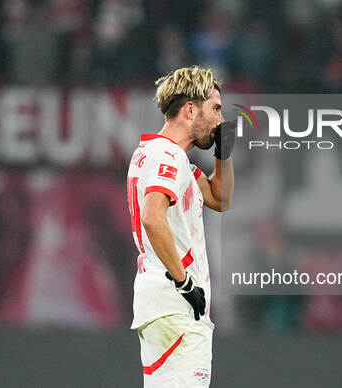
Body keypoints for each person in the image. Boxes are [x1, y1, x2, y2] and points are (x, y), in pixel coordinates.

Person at [126, 66, 236, 387]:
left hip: (159, 303)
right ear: (190, 109)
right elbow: (152, 217)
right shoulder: (169, 157)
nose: (219, 119)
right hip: (177, 305)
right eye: (215, 108)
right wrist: (185, 282)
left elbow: (220, 198)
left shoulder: (158, 154)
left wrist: (223, 153)